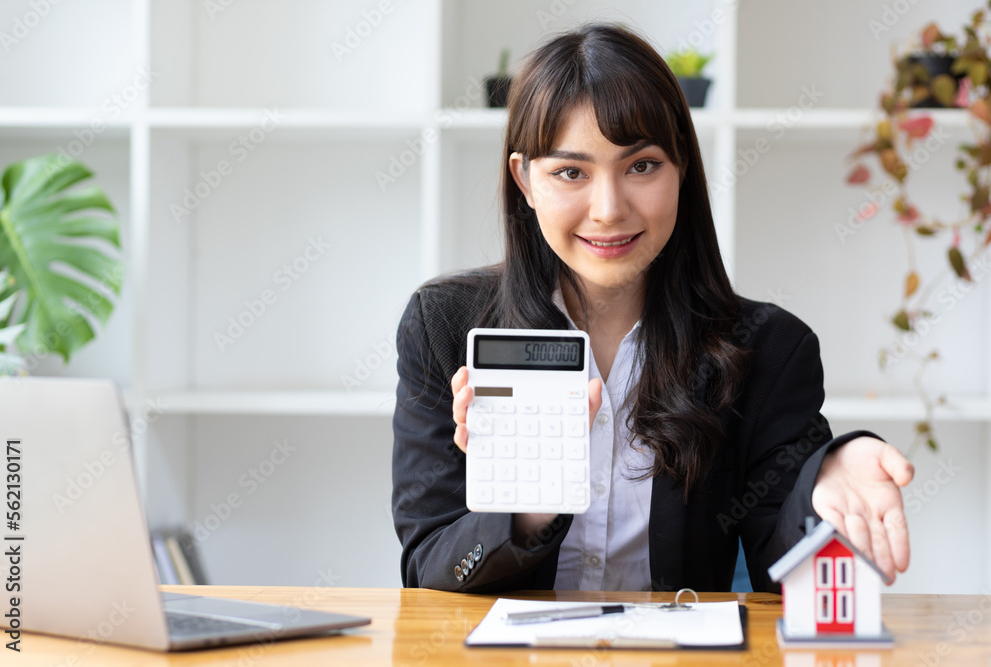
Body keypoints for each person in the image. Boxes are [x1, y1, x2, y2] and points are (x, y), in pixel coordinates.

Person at [390, 23, 913, 593]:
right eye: (571, 172)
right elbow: (429, 567)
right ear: (524, 180)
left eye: (642, 166)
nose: (609, 209)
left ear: (682, 167)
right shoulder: (444, 325)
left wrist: (826, 479)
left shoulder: (768, 348)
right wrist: (527, 506)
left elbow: (785, 569)